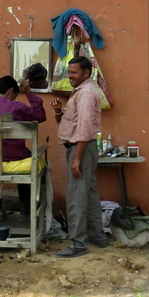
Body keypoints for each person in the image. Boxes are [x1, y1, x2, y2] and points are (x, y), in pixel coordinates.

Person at [50, 56, 107, 258]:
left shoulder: (86, 93)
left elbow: (84, 128)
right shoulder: (82, 91)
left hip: (81, 149)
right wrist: (58, 112)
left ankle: (78, 245)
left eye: (74, 73)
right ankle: (98, 237)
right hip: (83, 148)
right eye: (69, 72)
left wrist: (76, 158)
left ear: (86, 73)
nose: (70, 76)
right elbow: (73, 122)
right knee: (90, 194)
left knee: (76, 198)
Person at [0, 75, 47, 220]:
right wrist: (28, 92)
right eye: (16, 94)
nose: (14, 98)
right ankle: (26, 212)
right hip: (15, 157)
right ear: (11, 90)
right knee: (27, 161)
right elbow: (40, 116)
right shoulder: (17, 107)